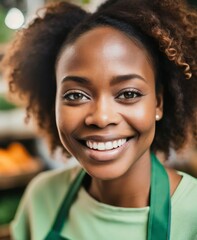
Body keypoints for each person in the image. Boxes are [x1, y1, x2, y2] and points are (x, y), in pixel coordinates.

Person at [2, 0, 197, 239]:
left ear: (158, 103)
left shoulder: (192, 214)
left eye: (128, 94)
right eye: (75, 95)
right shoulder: (42, 197)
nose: (102, 118)